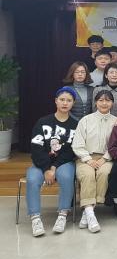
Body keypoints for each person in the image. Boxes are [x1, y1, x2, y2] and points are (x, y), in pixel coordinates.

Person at [27, 87, 78, 237]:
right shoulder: (43, 122)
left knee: (67, 177)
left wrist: (54, 168)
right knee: (32, 179)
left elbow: (70, 151)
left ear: (73, 103)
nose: (65, 103)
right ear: (56, 101)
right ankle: (35, 218)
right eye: (62, 99)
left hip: (63, 162)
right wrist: (46, 169)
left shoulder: (76, 124)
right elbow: (36, 148)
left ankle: (62, 215)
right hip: (42, 163)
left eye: (69, 100)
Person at [72, 90, 117, 233]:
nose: (104, 103)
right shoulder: (85, 120)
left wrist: (105, 158)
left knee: (104, 173)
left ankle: (88, 210)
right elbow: (77, 144)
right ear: (95, 102)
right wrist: (88, 159)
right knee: (87, 175)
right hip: (85, 157)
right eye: (101, 100)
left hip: (107, 158)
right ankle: (90, 213)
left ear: (112, 103)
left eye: (108, 100)